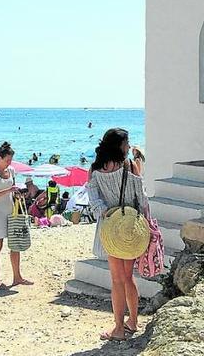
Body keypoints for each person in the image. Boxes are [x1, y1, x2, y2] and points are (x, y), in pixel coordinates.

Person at [87, 128, 152, 341]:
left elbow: (94, 200)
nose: (128, 146)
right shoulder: (129, 166)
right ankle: (132, 322)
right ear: (120, 146)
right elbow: (140, 198)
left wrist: (106, 212)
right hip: (130, 228)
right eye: (126, 143)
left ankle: (118, 328)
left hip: (110, 228)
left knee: (116, 280)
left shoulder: (95, 169)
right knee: (128, 277)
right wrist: (145, 223)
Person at [0, 141, 33, 289]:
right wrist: (8, 190)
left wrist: (18, 193)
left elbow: (12, 188)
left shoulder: (11, 170)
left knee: (15, 244)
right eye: (7, 160)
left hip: (10, 209)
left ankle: (17, 277)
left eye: (10, 160)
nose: (9, 162)